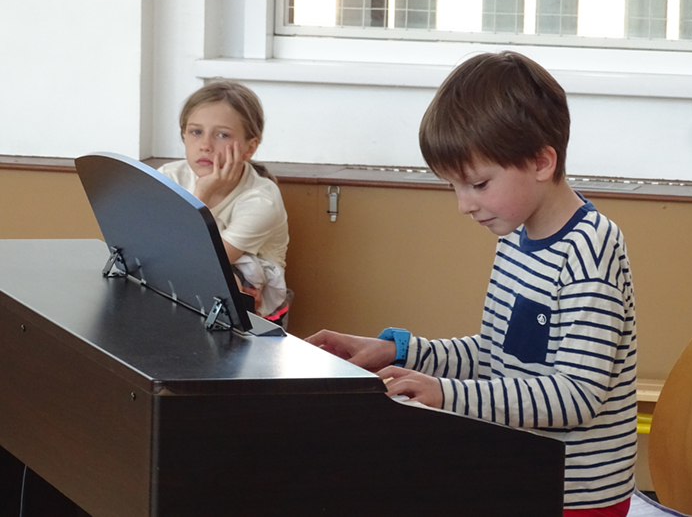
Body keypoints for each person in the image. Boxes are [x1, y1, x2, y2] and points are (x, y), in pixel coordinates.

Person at [305, 51, 637, 516]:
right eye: (454, 187)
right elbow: (496, 355)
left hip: (574, 496)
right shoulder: (516, 236)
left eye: (478, 184)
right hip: (519, 471)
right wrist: (399, 352)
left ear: (542, 161)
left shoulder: (590, 248)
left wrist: (444, 393)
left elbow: (575, 396)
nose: (464, 204)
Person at [158, 80, 290, 325]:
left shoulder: (261, 199)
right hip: (182, 290)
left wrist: (202, 194)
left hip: (253, 313)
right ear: (184, 135)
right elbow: (154, 250)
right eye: (196, 132)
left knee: (229, 278)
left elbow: (196, 262)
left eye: (222, 135)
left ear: (249, 148)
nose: (205, 146)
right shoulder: (169, 176)